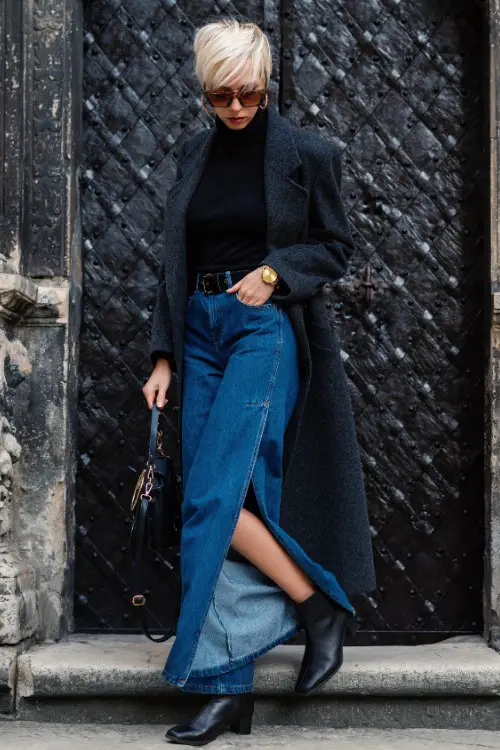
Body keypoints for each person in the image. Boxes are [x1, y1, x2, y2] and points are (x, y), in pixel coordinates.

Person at [143, 17, 376, 747]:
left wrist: (275, 273)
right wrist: (163, 357)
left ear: (266, 82)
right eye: (221, 96)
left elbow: (334, 248)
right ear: (205, 92)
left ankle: (317, 607)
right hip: (201, 332)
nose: (236, 108)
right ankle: (230, 687)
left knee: (216, 494)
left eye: (247, 93)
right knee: (215, 501)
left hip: (263, 329)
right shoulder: (192, 153)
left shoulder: (307, 153)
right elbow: (175, 262)